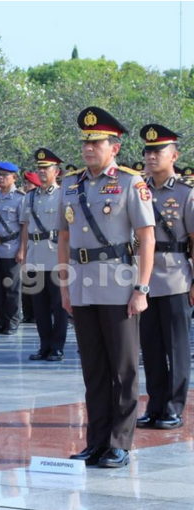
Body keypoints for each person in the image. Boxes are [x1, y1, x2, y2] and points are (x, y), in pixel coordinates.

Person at [61, 106, 154, 468]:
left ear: (114, 147)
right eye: (85, 143)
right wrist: (65, 286)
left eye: (96, 143)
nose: (88, 149)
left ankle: (120, 443)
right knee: (93, 370)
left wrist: (142, 289)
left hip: (118, 284)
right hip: (83, 286)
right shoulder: (72, 185)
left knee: (123, 368)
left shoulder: (131, 182)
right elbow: (65, 239)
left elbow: (146, 239)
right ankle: (96, 441)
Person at [135, 124, 194, 430]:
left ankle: (174, 407)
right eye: (147, 151)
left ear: (174, 155)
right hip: (142, 282)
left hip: (175, 279)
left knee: (177, 349)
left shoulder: (185, 194)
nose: (151, 156)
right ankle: (156, 405)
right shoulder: (138, 189)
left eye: (157, 151)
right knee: (152, 349)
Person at [19, 149, 68, 361]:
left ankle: (57, 346)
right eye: (39, 169)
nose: (41, 172)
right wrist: (23, 252)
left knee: (58, 306)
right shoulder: (29, 197)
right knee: (39, 307)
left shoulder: (63, 195)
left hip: (55, 256)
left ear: (56, 171)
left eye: (45, 168)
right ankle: (44, 345)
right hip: (35, 256)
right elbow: (25, 227)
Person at [0, 161, 25, 335]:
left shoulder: (20, 198)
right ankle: (0, 322)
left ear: (14, 177)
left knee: (12, 288)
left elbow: (24, 226)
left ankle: (12, 321)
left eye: (5, 175)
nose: (0, 178)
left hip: (11, 247)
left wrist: (22, 249)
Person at [19, 171, 40, 324]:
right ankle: (29, 314)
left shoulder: (59, 195)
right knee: (31, 288)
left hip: (52, 253)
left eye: (29, 183)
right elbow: (25, 226)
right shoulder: (29, 198)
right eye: (25, 183)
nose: (26, 186)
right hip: (33, 249)